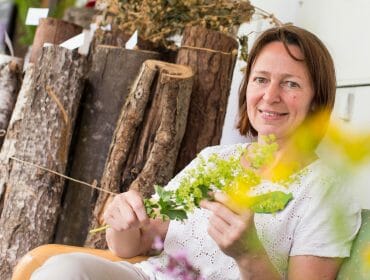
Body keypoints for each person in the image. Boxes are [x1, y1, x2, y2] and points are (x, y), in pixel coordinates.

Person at [31, 25, 361, 280]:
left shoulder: (328, 192)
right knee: (66, 269)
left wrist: (249, 254)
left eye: (290, 84)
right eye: (261, 79)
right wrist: (124, 222)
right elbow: (140, 243)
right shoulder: (215, 160)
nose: (270, 96)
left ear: (317, 100)